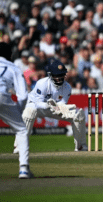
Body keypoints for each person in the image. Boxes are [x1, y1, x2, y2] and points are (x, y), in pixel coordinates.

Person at [13, 60, 87, 153]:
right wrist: (48, 104)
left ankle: (80, 146)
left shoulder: (67, 87)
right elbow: (37, 102)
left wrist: (60, 107)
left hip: (53, 108)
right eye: (57, 75)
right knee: (29, 112)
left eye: (62, 75)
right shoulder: (42, 83)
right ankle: (20, 146)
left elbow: (62, 103)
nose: (60, 78)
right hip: (36, 106)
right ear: (51, 75)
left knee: (78, 115)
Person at [0, 42, 33, 179]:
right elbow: (23, 95)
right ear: (10, 55)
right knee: (21, 130)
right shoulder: (14, 67)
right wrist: (18, 111)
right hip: (2, 96)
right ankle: (24, 168)